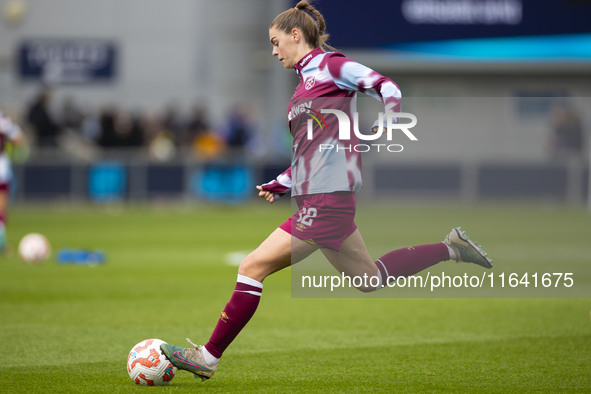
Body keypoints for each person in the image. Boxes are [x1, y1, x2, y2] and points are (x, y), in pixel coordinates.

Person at [161, 0, 492, 381]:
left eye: (275, 42)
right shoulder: (303, 86)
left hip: (327, 198)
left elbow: (385, 85)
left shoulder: (331, 65)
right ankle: (452, 247)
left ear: (295, 35)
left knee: (252, 267)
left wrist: (391, 115)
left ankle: (208, 357)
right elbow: (310, 150)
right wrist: (282, 182)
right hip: (321, 194)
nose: (273, 51)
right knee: (370, 279)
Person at [0, 110, 26, 253]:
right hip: (1, 167)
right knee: (1, 205)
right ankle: (1, 240)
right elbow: (17, 138)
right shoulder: (3, 118)